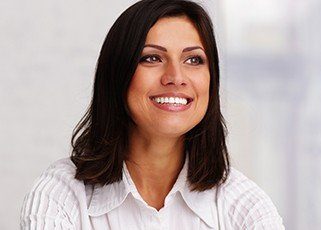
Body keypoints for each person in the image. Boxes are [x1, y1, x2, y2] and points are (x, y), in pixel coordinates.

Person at [20, 0, 285, 229]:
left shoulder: (246, 207)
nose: (176, 77)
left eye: (193, 60)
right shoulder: (60, 195)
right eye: (152, 58)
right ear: (118, 75)